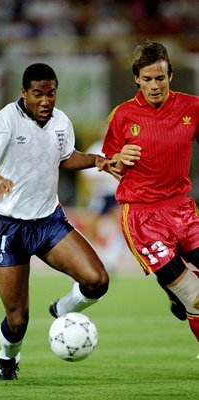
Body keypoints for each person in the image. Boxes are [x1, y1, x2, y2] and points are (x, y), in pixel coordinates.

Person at [0, 63, 120, 380]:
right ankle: (7, 361)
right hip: (8, 227)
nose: (45, 101)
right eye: (37, 94)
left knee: (97, 281)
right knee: (17, 319)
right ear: (23, 92)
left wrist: (97, 161)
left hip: (48, 222)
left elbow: (66, 157)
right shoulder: (5, 120)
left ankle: (63, 310)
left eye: (50, 93)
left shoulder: (61, 121)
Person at [102, 41, 199, 343]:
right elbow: (107, 162)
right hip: (143, 219)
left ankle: (173, 292)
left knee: (188, 294)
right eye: (147, 79)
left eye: (160, 78)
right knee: (194, 297)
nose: (154, 86)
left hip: (182, 210)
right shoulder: (122, 116)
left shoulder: (192, 108)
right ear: (137, 79)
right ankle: (178, 292)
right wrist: (117, 160)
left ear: (170, 76)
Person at [82, 133, 124, 272]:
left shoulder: (120, 149)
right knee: (91, 226)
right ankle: (97, 256)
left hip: (115, 193)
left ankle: (112, 257)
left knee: (122, 226)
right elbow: (87, 176)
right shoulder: (95, 149)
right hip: (100, 194)